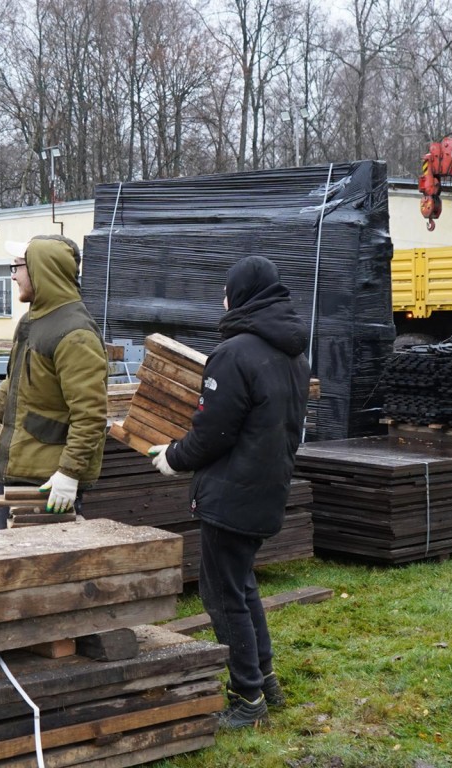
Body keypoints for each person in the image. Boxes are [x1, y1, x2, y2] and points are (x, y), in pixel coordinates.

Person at [148, 255, 311, 730]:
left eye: (226, 289)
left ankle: (247, 699)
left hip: (230, 495)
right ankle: (265, 679)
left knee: (222, 596)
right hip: (266, 488)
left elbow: (213, 431)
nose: (222, 298)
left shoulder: (235, 353)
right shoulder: (294, 355)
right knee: (242, 585)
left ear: (240, 295)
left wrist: (173, 458)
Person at [0, 235, 109, 530]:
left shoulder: (75, 333)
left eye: (18, 267)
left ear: (43, 270)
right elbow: (17, 378)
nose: (13, 275)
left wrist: (69, 473)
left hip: (47, 482)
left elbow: (90, 415)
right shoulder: (33, 321)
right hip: (18, 468)